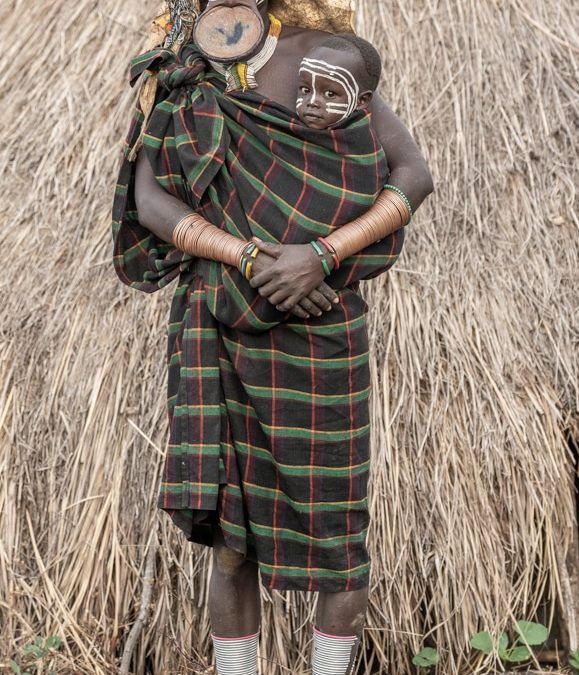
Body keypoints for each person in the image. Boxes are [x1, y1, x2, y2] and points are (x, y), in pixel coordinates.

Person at [112, 1, 433, 673]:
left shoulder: (326, 56)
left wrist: (323, 254)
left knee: (338, 534)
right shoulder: (186, 65)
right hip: (220, 323)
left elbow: (412, 173)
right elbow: (151, 201)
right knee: (232, 538)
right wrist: (250, 258)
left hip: (322, 330)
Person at [295, 34, 381, 130]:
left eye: (330, 94)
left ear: (361, 100)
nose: (312, 102)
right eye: (305, 90)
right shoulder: (284, 129)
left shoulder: (360, 139)